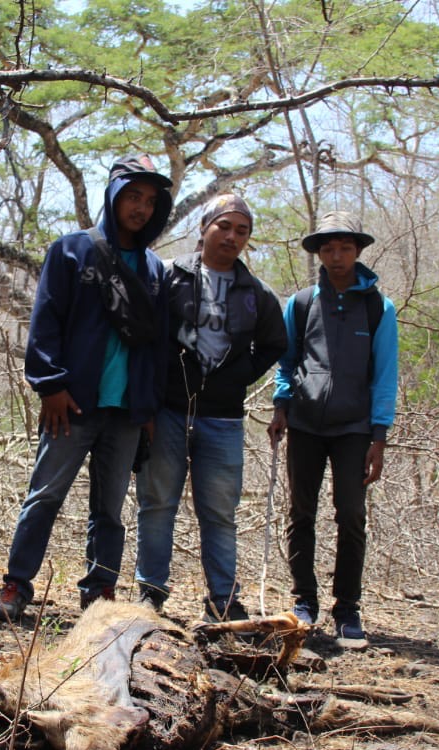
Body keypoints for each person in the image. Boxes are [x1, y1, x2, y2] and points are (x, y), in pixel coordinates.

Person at [0, 154, 173, 620]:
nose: (141, 208)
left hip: (125, 410)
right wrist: (50, 385)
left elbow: (156, 347)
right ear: (112, 196)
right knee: (44, 496)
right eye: (133, 196)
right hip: (70, 404)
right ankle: (16, 585)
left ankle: (99, 594)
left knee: (110, 509)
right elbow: (46, 321)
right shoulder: (71, 250)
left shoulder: (155, 270)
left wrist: (147, 407)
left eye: (150, 201)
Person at [133, 193, 286, 620]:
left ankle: (223, 600)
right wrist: (147, 400)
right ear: (204, 229)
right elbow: (144, 337)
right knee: (157, 502)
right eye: (224, 226)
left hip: (223, 418)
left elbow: (275, 343)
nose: (232, 237)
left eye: (242, 231)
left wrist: (237, 376)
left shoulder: (256, 293)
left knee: (219, 511)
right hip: (166, 410)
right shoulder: (166, 277)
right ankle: (150, 594)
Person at [267, 211, 398, 649]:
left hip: (354, 430)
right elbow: (287, 362)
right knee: (300, 514)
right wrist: (281, 405)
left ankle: (348, 608)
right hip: (304, 424)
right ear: (319, 253)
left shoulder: (378, 307)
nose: (336, 256)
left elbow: (384, 374)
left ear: (358, 251)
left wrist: (379, 437)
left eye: (344, 248)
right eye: (328, 248)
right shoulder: (301, 303)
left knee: (352, 515)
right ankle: (304, 602)